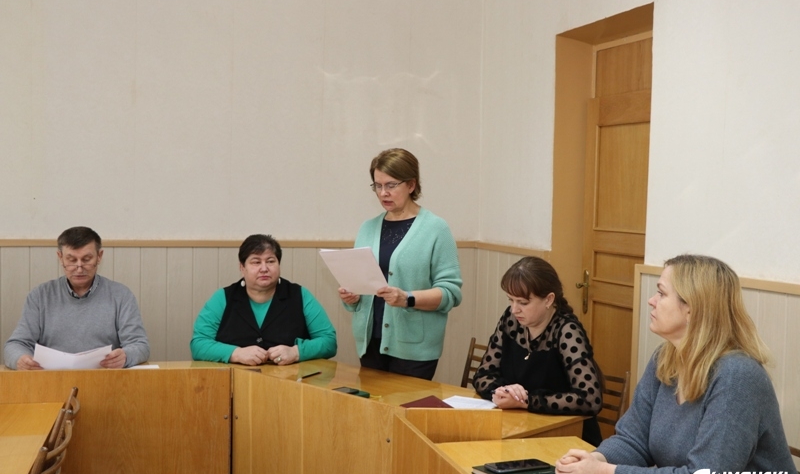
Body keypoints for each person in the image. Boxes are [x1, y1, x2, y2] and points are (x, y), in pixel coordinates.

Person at [555, 255, 800, 474]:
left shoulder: (738, 376)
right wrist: (594, 460)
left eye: (661, 293)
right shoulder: (665, 358)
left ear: (691, 309)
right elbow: (633, 439)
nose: (651, 300)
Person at [338, 148, 462, 380]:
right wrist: (351, 298)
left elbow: (451, 293)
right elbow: (361, 284)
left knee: (407, 403)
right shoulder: (367, 228)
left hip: (414, 348)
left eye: (391, 185)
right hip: (370, 342)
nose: (383, 193)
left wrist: (407, 298)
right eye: (377, 185)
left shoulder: (436, 229)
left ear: (411, 185)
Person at [473, 256, 603, 446]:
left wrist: (527, 401)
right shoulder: (511, 321)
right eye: (511, 300)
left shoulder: (567, 331)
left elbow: (590, 399)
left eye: (523, 303)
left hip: (566, 438)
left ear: (549, 299)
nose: (514, 309)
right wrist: (502, 392)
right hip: (520, 431)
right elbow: (482, 375)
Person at [3, 226, 150, 370]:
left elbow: (140, 345)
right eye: (72, 260)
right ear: (60, 258)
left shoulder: (121, 295)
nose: (79, 268)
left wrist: (125, 356)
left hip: (105, 379)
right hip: (52, 379)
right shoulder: (40, 296)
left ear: (99, 256)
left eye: (86, 259)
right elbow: (15, 345)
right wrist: (21, 359)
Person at [191, 234, 337, 365]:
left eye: (270, 261)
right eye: (256, 262)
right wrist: (236, 353)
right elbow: (199, 344)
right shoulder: (223, 298)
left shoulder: (299, 295)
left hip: (291, 381)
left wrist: (296, 352)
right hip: (236, 380)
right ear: (242, 267)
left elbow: (329, 341)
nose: (264, 268)